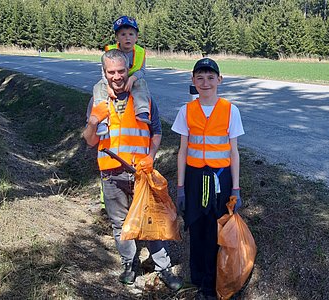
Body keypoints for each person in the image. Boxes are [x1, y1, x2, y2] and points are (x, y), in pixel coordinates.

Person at [84, 49, 182, 291]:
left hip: (141, 173)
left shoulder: (144, 98)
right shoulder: (98, 101)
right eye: (111, 72)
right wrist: (94, 122)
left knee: (152, 222)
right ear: (103, 73)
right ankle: (130, 265)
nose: (117, 77)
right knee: (120, 225)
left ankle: (164, 268)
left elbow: (156, 131)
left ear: (128, 71)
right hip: (112, 176)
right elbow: (89, 141)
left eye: (121, 71)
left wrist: (151, 156)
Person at [171, 58, 245, 299]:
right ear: (193, 81)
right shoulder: (187, 110)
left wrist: (236, 188)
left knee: (215, 232)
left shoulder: (230, 110)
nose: (205, 83)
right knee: (196, 227)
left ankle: (213, 285)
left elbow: (234, 152)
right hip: (194, 179)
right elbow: (182, 151)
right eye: (200, 78)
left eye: (210, 78)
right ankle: (197, 279)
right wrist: (180, 188)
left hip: (219, 180)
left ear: (219, 80)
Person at [93, 15, 151, 136]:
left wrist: (133, 78)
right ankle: (102, 120)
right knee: (98, 87)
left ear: (136, 37)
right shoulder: (110, 50)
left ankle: (142, 111)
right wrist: (108, 86)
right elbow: (104, 71)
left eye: (131, 34)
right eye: (123, 34)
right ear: (117, 37)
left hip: (131, 80)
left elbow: (142, 71)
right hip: (113, 80)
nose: (127, 38)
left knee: (142, 84)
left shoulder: (140, 52)